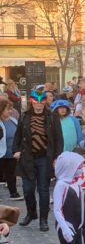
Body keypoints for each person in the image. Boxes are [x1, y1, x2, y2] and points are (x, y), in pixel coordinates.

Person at [13, 90, 55, 231]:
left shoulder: (51, 117)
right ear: (31, 101)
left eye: (41, 101)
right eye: (36, 102)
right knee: (28, 189)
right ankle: (31, 214)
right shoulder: (25, 117)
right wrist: (16, 150)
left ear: (45, 102)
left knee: (43, 190)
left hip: (44, 158)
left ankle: (43, 219)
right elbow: (18, 135)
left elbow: (58, 139)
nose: (38, 105)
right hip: (28, 158)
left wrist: (56, 157)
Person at [0, 99, 20, 200]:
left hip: (12, 153)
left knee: (11, 174)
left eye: (11, 109)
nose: (10, 111)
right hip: (0, 154)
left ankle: (14, 193)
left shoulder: (13, 121)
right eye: (8, 109)